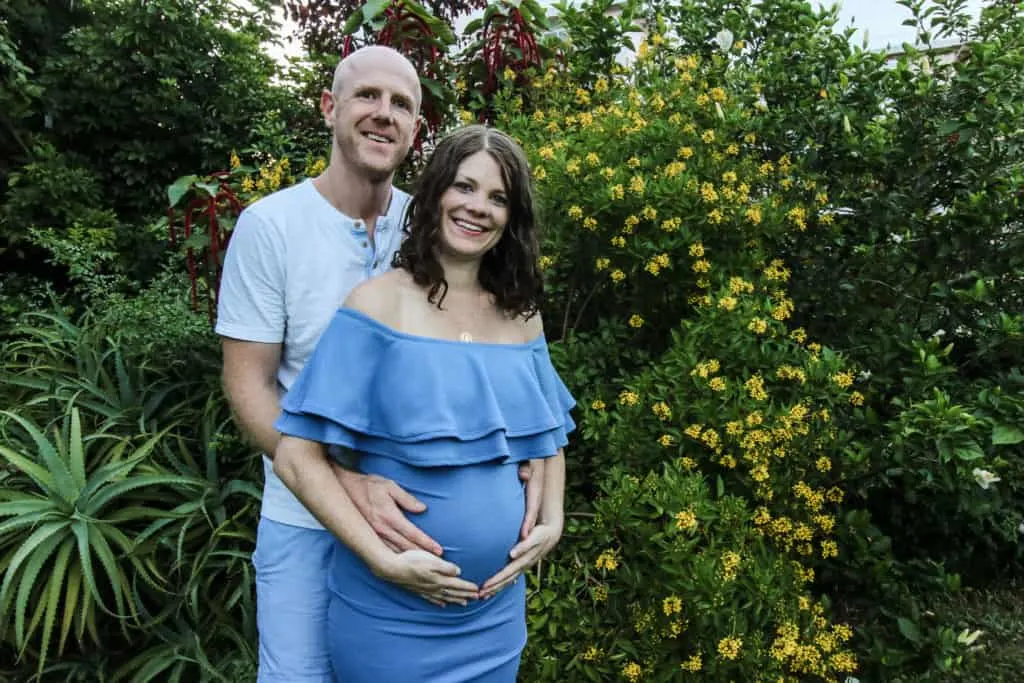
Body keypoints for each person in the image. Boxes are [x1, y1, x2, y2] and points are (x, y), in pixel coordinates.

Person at [216, 48, 543, 682]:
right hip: (304, 518)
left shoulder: (431, 224)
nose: (382, 114)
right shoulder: (271, 227)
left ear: (418, 130)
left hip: (421, 542)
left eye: (401, 105)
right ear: (329, 107)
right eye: (367, 95)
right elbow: (248, 385)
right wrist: (344, 480)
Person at [272, 124, 575, 682]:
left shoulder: (521, 314)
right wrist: (383, 560)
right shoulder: (377, 305)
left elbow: (548, 436)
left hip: (495, 618)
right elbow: (296, 457)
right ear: (435, 193)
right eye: (465, 186)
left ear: (513, 217)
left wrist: (552, 522)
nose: (477, 207)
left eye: (498, 197)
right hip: (393, 619)